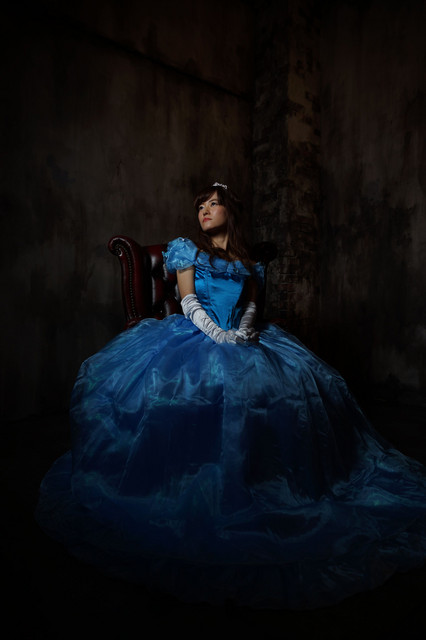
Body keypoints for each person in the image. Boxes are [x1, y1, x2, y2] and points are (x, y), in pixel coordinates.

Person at [36, 182, 426, 610]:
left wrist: (244, 330)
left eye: (213, 204)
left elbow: (253, 305)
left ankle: (271, 479)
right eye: (200, 205)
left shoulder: (248, 264)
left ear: (230, 212)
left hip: (243, 336)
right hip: (195, 333)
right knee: (193, 388)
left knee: (301, 387)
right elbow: (187, 300)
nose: (204, 210)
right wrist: (218, 335)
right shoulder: (188, 250)